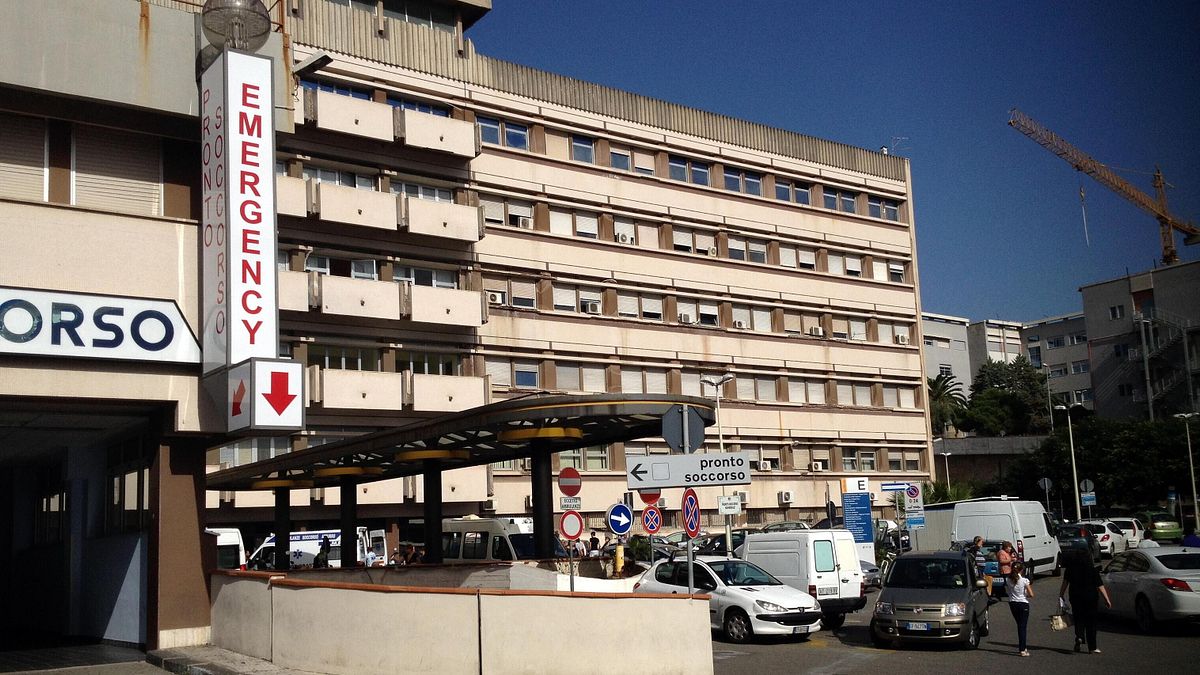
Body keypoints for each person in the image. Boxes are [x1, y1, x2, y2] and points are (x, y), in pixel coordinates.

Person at [1059, 547, 1112, 654]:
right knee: (1091, 621)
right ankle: (1092, 647)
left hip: (1075, 597)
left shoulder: (1070, 569)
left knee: (1078, 618)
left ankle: (1079, 636)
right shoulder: (1092, 569)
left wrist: (1061, 595)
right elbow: (1100, 585)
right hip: (1091, 597)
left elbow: (1065, 583)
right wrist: (1107, 599)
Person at [1006, 561, 1034, 657]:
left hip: (1013, 603)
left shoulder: (1008, 580)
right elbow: (1031, 594)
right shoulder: (1024, 580)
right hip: (1023, 603)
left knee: (1019, 625)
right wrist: (1025, 594)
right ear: (1021, 570)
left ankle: (1023, 647)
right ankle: (1022, 649)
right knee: (1022, 627)